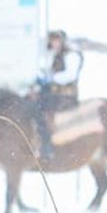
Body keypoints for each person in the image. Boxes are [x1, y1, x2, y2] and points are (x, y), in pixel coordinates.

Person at [31, 30, 83, 160]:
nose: (54, 43)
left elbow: (70, 75)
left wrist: (51, 78)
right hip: (52, 91)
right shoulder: (54, 54)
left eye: (56, 40)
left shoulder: (71, 54)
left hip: (64, 94)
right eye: (52, 40)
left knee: (41, 110)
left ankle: (47, 146)